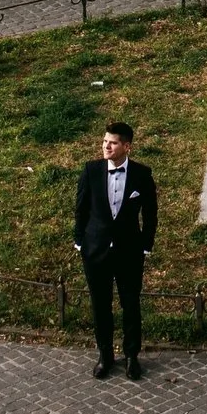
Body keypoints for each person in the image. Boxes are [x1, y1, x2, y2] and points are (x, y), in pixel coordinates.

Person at [71, 121, 158, 381]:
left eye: (113, 142)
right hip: (95, 251)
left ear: (127, 146)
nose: (106, 146)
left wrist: (146, 244)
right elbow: (81, 208)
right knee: (100, 305)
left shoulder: (142, 174)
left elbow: (150, 213)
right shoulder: (91, 170)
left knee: (130, 304)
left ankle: (132, 356)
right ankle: (105, 355)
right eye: (105, 141)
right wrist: (80, 242)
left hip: (129, 251)